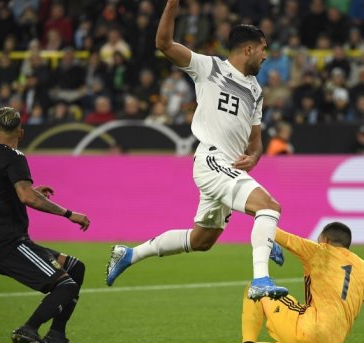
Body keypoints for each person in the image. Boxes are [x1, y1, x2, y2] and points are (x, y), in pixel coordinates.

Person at [106, 0, 288, 301]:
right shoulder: (210, 68)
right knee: (269, 206)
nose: (266, 55)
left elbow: (256, 141)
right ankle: (261, 278)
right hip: (211, 160)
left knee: (202, 240)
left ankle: (129, 254)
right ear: (248, 49)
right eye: (263, 48)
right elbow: (163, 43)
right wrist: (172, 5)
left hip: (229, 167)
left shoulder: (256, 91)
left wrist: (254, 157)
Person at [140, 222, 364, 343]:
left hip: (308, 332)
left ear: (324, 239)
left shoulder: (319, 251)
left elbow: (267, 229)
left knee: (257, 289)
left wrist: (271, 243)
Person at [0, 107, 91, 343]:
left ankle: (57, 335)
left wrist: (33, 189)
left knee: (76, 268)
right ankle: (29, 328)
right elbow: (26, 197)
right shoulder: (13, 156)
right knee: (66, 285)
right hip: (10, 244)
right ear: (21, 133)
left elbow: (5, 193)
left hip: (3, 242)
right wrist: (70, 214)